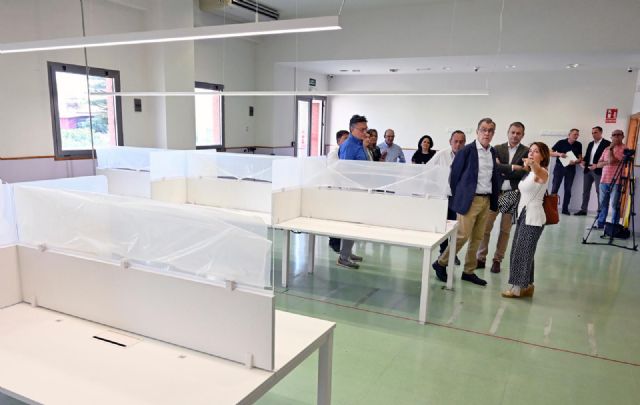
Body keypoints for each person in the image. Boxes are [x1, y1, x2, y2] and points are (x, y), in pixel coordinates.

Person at [432, 118, 501, 286]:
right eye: (483, 129)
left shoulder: (492, 152)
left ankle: (469, 271)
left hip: (486, 199)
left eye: (490, 130)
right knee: (462, 235)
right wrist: (459, 198)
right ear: (477, 132)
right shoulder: (467, 151)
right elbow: (454, 177)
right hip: (470, 200)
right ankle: (440, 263)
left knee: (478, 237)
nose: (487, 133)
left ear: (493, 134)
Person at [477, 122, 529, 274]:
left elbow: (524, 172)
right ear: (508, 132)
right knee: (485, 227)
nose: (515, 135)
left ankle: (497, 260)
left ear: (522, 135)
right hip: (495, 193)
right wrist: (513, 168)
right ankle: (481, 258)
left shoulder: (526, 152)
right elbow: (494, 168)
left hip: (512, 194)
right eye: (513, 132)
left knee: (505, 230)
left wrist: (503, 168)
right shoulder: (497, 149)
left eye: (518, 133)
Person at [502, 142, 551, 298]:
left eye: (536, 151)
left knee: (521, 253)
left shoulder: (542, 172)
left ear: (543, 156)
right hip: (524, 215)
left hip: (533, 218)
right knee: (524, 251)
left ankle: (517, 289)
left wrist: (532, 164)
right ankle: (528, 285)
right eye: (530, 150)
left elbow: (538, 172)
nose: (531, 153)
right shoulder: (529, 172)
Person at [336, 115, 368, 269]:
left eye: (366, 129)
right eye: (362, 130)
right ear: (352, 129)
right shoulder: (349, 146)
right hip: (351, 191)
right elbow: (344, 171)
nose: (365, 132)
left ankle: (347, 252)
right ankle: (343, 257)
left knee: (355, 223)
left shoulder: (359, 143)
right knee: (351, 223)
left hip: (359, 189)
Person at [432, 130, 466, 263]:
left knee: (455, 226)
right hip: (444, 196)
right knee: (445, 225)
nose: (458, 144)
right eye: (455, 141)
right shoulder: (441, 155)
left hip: (459, 197)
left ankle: (453, 253)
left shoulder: (467, 156)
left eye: (461, 142)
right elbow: (428, 169)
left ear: (465, 143)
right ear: (450, 142)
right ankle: (443, 253)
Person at [574, 126, 610, 215]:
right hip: (588, 170)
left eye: (596, 132)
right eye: (592, 133)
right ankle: (583, 210)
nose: (593, 134)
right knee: (585, 191)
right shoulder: (590, 144)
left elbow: (607, 159)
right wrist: (583, 162)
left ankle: (600, 212)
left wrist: (597, 165)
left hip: (599, 170)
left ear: (601, 133)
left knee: (599, 191)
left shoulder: (607, 144)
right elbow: (587, 156)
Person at [593, 129, 626, 229]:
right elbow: (598, 164)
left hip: (617, 180)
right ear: (611, 137)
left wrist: (611, 150)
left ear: (622, 136)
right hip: (604, 180)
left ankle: (614, 226)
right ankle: (600, 224)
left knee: (615, 205)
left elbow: (611, 160)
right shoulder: (606, 148)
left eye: (618, 135)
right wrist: (608, 162)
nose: (616, 136)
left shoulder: (625, 148)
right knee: (603, 204)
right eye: (613, 135)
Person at [550, 129, 582, 215]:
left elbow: (580, 157)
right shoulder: (561, 142)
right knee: (555, 188)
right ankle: (551, 209)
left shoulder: (579, 144)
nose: (576, 136)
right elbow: (550, 152)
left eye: (577, 135)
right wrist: (559, 154)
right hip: (559, 167)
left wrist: (576, 161)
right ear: (569, 135)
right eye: (575, 134)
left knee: (568, 189)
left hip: (571, 168)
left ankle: (565, 209)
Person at [328, 130, 350, 252]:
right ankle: (334, 243)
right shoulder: (333, 154)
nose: (347, 141)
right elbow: (334, 171)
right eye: (345, 138)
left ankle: (345, 249)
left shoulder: (346, 152)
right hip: (335, 191)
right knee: (335, 218)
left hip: (345, 191)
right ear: (338, 141)